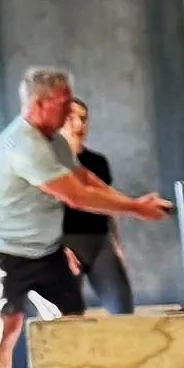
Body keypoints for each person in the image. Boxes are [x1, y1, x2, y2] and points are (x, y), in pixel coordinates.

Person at [0, 65, 168, 368]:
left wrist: (132, 202)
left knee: (71, 323)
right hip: (4, 250)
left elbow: (84, 178)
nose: (69, 112)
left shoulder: (56, 142)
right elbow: (75, 195)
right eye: (63, 105)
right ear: (39, 104)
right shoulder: (22, 145)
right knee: (5, 329)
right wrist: (136, 209)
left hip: (45, 249)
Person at [57, 93, 135, 314]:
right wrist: (55, 248)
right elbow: (40, 211)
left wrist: (116, 244)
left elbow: (108, 206)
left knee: (122, 308)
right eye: (71, 118)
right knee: (67, 315)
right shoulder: (48, 161)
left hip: (99, 242)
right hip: (65, 242)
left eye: (83, 118)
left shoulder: (98, 162)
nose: (78, 124)